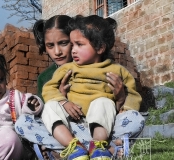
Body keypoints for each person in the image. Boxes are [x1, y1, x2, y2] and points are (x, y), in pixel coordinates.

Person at [14, 15, 144, 160]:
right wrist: (61, 99)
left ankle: (92, 149)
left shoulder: (115, 70)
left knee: (128, 115)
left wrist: (121, 101)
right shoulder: (57, 73)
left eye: (66, 43)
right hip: (71, 128)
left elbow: (133, 96)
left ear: (99, 47)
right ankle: (86, 149)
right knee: (25, 121)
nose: (58, 51)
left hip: (104, 127)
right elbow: (48, 102)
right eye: (50, 45)